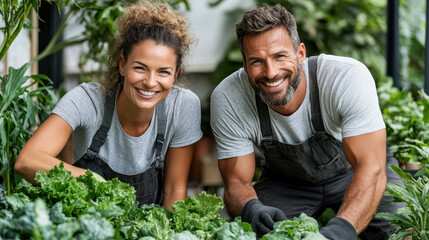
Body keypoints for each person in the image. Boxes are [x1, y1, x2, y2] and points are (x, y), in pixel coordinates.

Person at [210, 4, 405, 240]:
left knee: (396, 228)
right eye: (257, 61)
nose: (271, 72)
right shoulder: (229, 97)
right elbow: (236, 182)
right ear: (244, 63)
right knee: (254, 234)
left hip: (353, 172)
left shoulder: (345, 77)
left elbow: (370, 169)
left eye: (280, 56)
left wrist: (341, 230)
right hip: (286, 183)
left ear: (300, 53)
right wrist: (253, 209)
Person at [15, 0, 202, 210]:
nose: (150, 82)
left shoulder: (183, 106)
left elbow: (174, 189)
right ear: (122, 64)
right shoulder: (87, 101)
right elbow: (27, 160)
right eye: (140, 68)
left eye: (163, 72)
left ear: (175, 75)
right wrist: (93, 181)